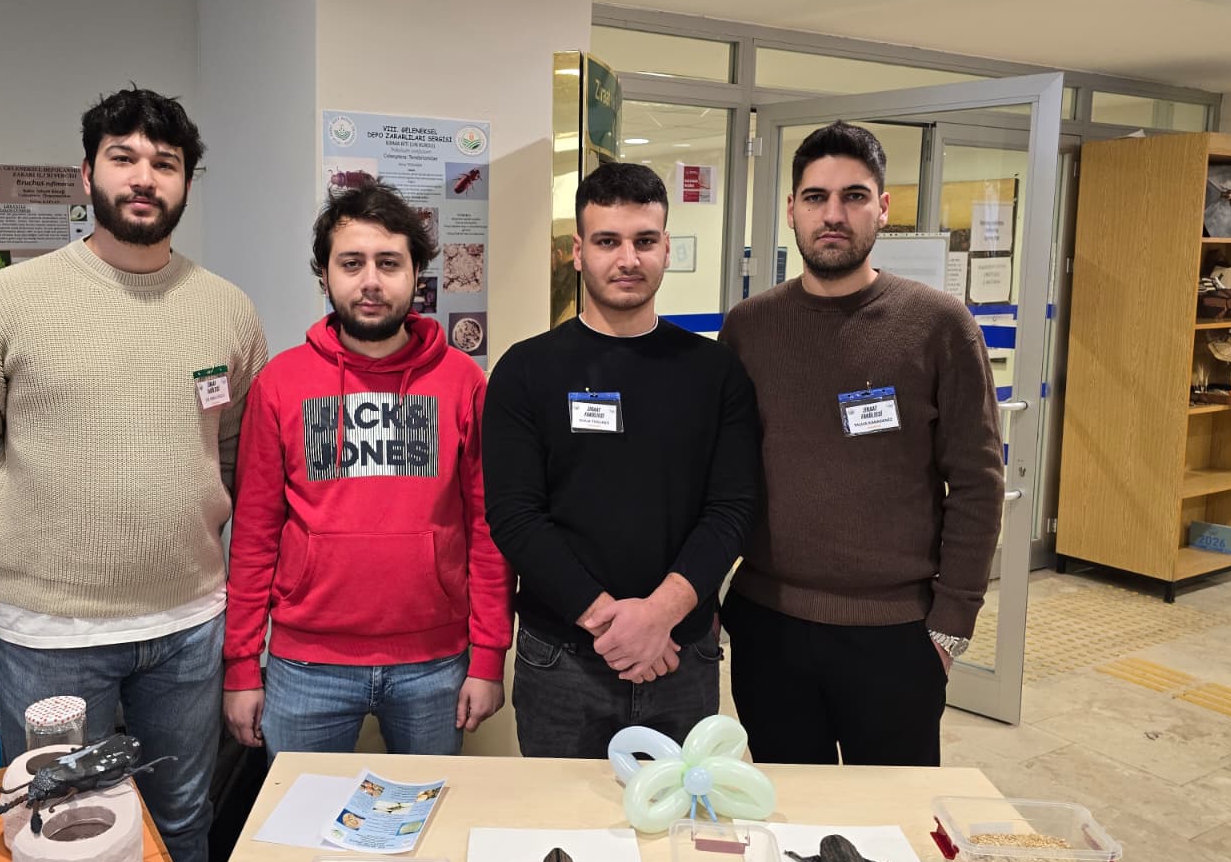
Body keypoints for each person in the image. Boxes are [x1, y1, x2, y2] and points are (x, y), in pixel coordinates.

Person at [0, 86, 268, 862]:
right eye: (123, 157)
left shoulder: (227, 310)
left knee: (182, 819)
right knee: (59, 829)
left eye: (165, 163)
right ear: (87, 174)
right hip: (52, 638)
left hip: (188, 628)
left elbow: (239, 454)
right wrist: (32, 541)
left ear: (185, 182)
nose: (144, 177)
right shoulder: (5, 302)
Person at [718, 120, 1003, 766]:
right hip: (769, 626)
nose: (833, 215)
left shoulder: (939, 325)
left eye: (853, 196)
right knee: (790, 809)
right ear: (791, 209)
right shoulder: (750, 328)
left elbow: (978, 483)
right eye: (815, 197)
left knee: (892, 818)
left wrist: (951, 624)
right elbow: (718, 474)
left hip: (896, 635)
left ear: (883, 207)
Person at [222, 181, 513, 760]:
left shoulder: (462, 382)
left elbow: (487, 528)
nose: (371, 282)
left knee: (426, 809)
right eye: (351, 263)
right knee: (301, 813)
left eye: (389, 263)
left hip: (434, 663)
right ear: (325, 275)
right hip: (306, 664)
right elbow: (254, 533)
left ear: (416, 273)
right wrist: (241, 665)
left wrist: (488, 657)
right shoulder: (281, 383)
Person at [482, 162, 759, 759]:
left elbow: (732, 509)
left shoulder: (715, 372)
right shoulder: (525, 370)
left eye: (644, 241)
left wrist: (659, 616)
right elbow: (514, 515)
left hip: (682, 654)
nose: (628, 259)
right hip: (561, 660)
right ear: (578, 251)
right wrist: (613, 624)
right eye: (608, 241)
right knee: (562, 815)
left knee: (681, 811)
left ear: (666, 248)